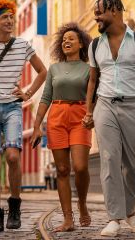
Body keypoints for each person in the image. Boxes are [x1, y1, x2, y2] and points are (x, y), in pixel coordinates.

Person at [82, 0, 135, 237]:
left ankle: (130, 212)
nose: (96, 16)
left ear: (115, 11)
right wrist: (89, 110)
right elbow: (93, 81)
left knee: (133, 163)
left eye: (100, 12)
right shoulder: (95, 45)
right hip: (105, 105)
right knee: (109, 159)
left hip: (134, 104)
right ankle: (114, 217)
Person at [0, 0, 47, 232]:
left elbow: (43, 71)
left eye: (11, 16)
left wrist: (28, 93)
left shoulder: (22, 46)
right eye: (4, 17)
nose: (10, 20)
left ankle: (14, 206)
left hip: (13, 107)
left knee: (13, 156)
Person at [30, 22, 93, 232]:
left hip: (80, 117)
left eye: (71, 39)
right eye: (64, 39)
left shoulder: (89, 68)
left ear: (81, 44)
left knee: (81, 167)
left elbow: (95, 96)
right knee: (63, 170)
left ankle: (82, 203)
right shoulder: (54, 68)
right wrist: (37, 125)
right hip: (56, 117)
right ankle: (68, 218)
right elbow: (46, 97)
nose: (66, 41)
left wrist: (92, 114)